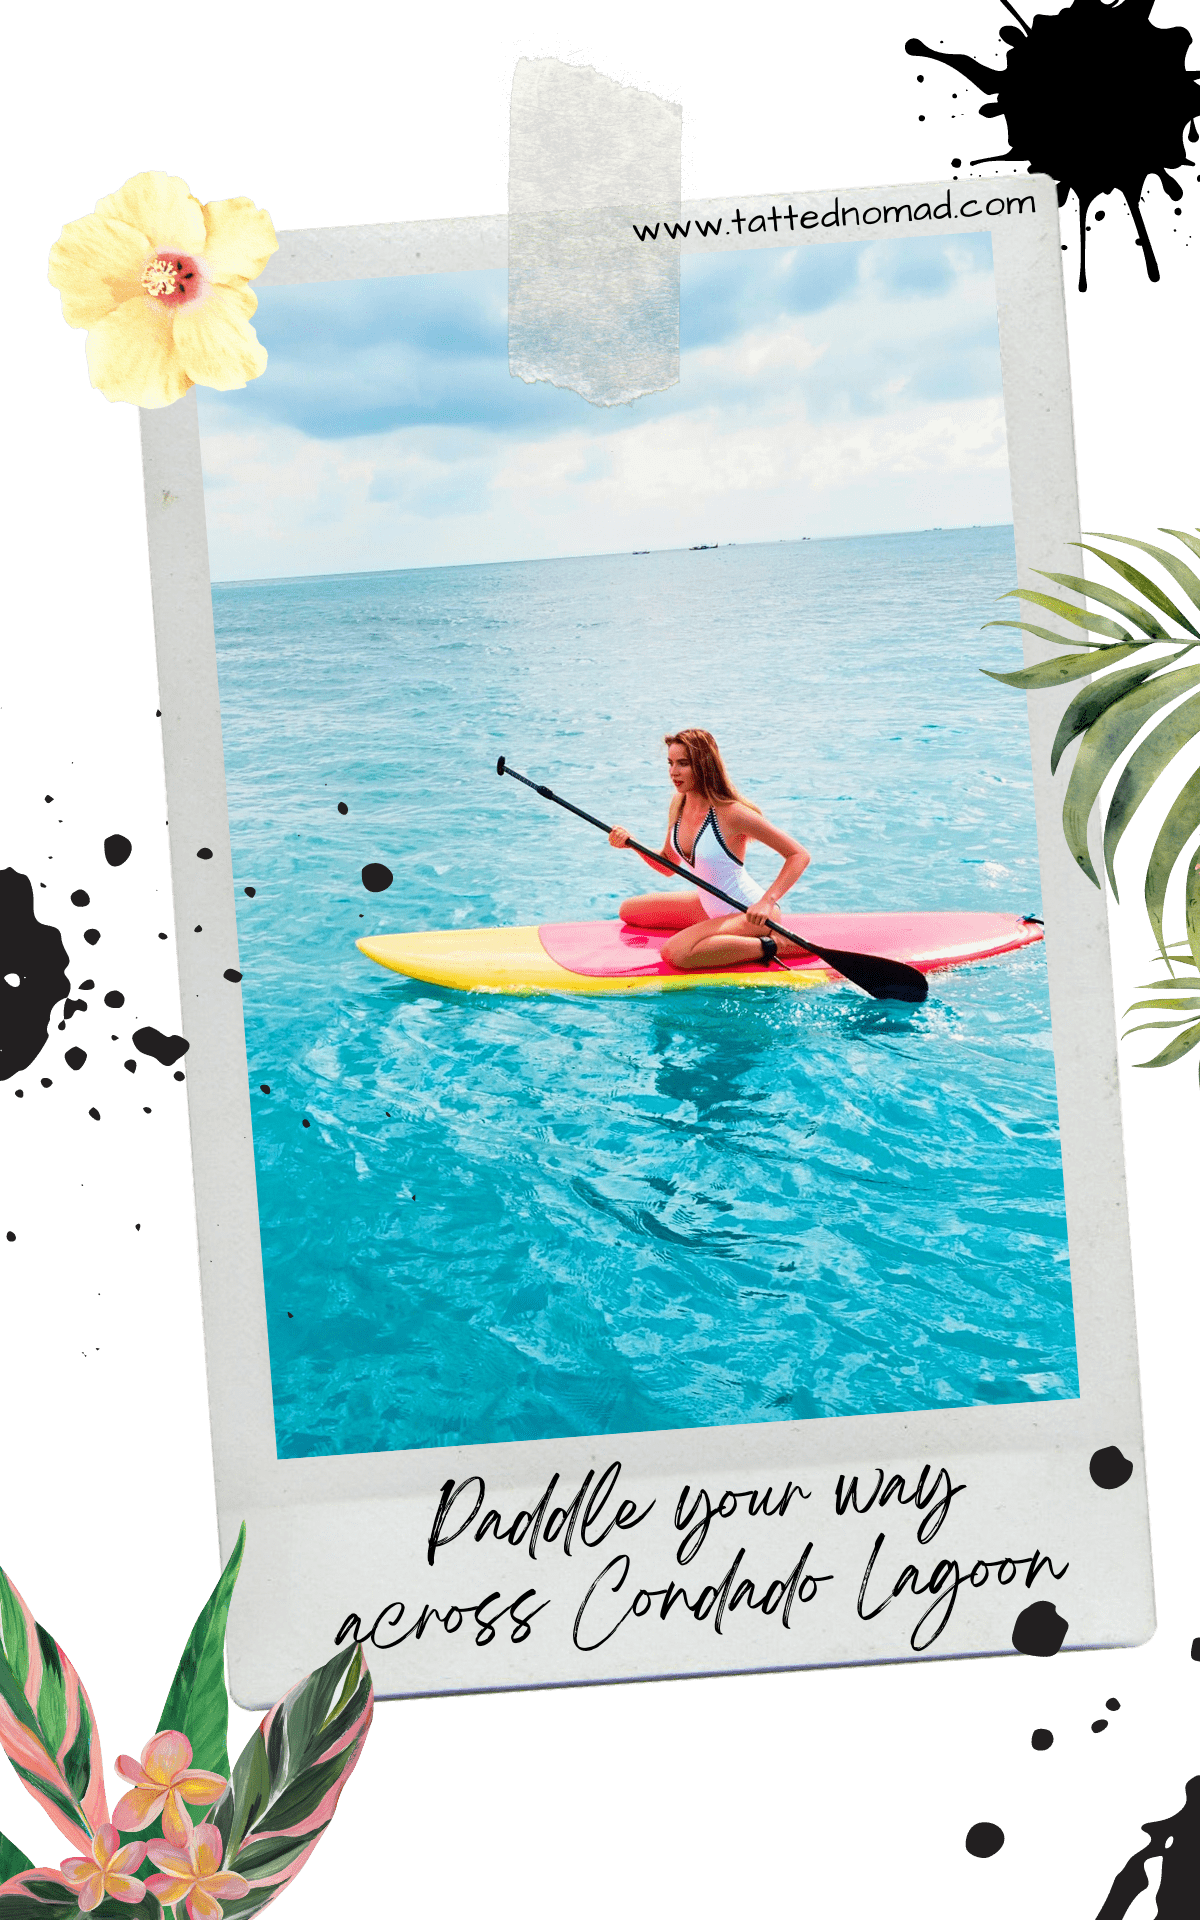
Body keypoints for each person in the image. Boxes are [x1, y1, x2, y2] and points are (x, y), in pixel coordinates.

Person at [608, 729, 810, 970]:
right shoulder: (679, 802)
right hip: (709, 904)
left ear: (704, 765)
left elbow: (798, 855)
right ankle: (717, 935)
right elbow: (668, 865)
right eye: (670, 763)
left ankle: (777, 944)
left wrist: (767, 902)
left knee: (676, 953)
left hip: (748, 912)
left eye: (683, 764)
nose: (674, 772)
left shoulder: (732, 813)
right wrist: (631, 843)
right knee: (630, 911)